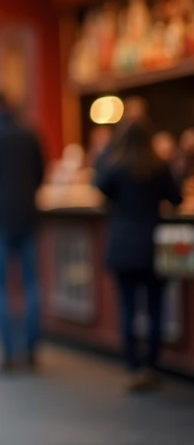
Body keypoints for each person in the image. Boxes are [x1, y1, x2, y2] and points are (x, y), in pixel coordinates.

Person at [95, 120, 184, 391]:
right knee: (155, 308)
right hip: (153, 245)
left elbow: (100, 188)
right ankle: (152, 366)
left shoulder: (115, 166)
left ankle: (133, 367)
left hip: (123, 246)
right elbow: (177, 199)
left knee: (129, 309)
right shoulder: (159, 166)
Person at [0, 91, 47, 371]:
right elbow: (41, 172)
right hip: (28, 217)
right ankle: (30, 349)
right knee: (31, 285)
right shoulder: (29, 134)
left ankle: (8, 352)